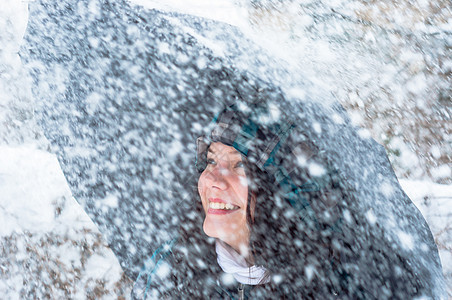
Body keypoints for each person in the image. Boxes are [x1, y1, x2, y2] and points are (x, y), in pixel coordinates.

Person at [132, 98, 441, 299]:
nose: (212, 180)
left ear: (278, 193)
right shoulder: (171, 271)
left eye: (238, 165)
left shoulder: (333, 283)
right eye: (211, 161)